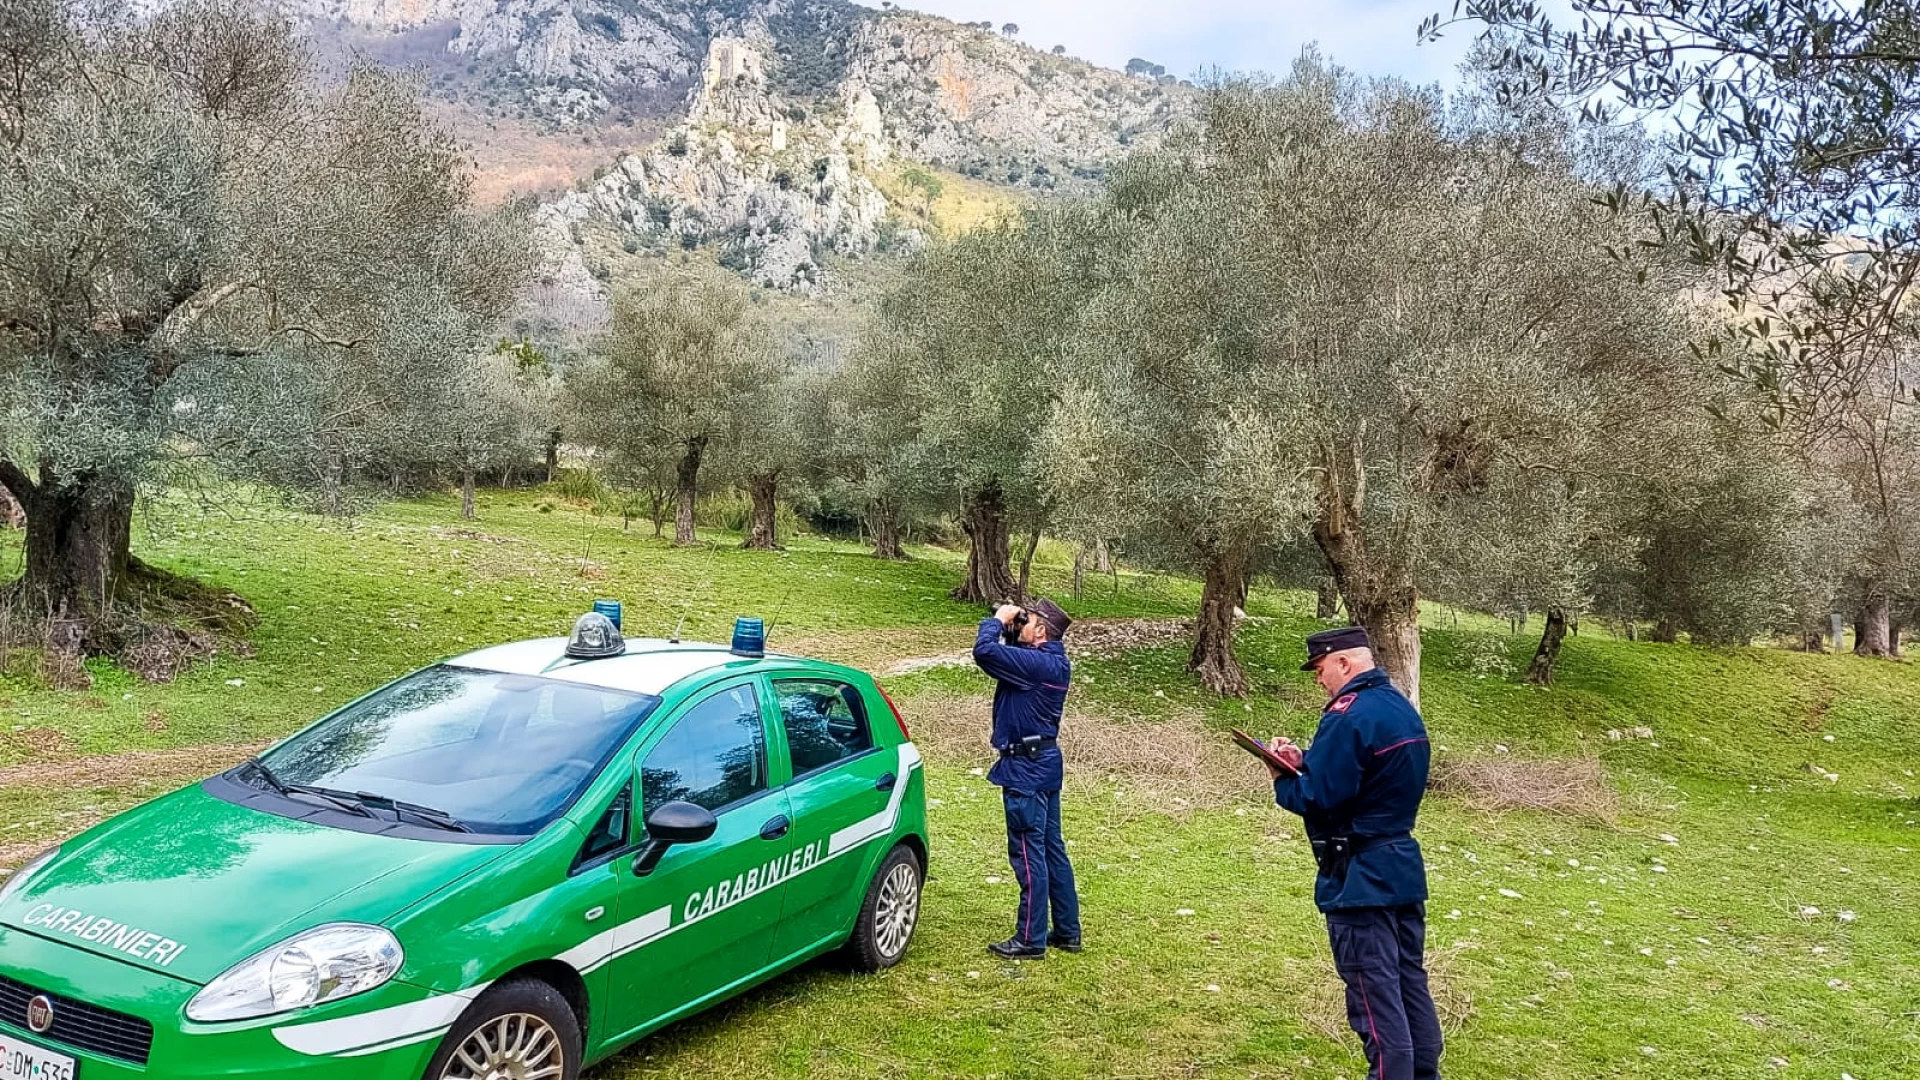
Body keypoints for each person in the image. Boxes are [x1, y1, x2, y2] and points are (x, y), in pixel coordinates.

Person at [1263, 626, 1442, 1080]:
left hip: (1359, 875)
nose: (1319, 680)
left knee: (1375, 998)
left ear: (1344, 662)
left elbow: (1320, 797)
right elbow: (1369, 774)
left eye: (1320, 669)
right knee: (1408, 983)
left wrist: (1281, 776)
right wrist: (1306, 758)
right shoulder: (1399, 708)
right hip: (1399, 864)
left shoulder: (1348, 715)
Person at [972, 597, 1081, 959]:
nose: (1021, 623)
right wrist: (1013, 629)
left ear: (1041, 630)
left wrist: (999, 621)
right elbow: (1008, 661)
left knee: (1027, 850)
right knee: (1052, 848)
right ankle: (1067, 931)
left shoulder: (1035, 665)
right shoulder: (1054, 662)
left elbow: (985, 652)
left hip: (1025, 769)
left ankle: (1030, 939)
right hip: (1045, 762)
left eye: (1027, 620)